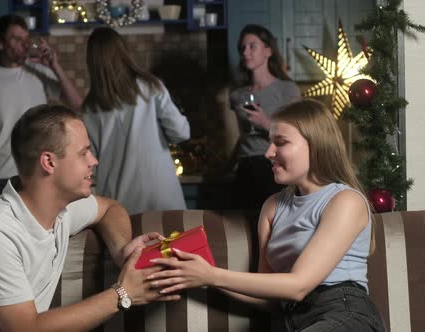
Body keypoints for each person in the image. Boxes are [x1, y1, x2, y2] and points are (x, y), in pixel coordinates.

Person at [0, 105, 179, 331]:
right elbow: (26, 329)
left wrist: (122, 251)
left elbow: (110, 208)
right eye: (83, 153)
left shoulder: (64, 210)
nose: (94, 160)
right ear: (49, 163)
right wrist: (123, 294)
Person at [148, 99, 386, 331]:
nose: (268, 153)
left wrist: (212, 275)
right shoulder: (273, 207)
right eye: (270, 142)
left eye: (280, 142)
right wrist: (202, 273)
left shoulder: (346, 201)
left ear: (316, 145)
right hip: (294, 321)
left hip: (345, 314)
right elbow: (270, 300)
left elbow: (298, 285)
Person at [0, 14, 83, 205]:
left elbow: (76, 103)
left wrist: (54, 65)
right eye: (17, 39)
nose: (25, 44)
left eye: (26, 38)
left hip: (39, 173)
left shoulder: (39, 71)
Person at [81, 27, 190, 215]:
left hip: (119, 203)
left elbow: (92, 165)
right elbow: (182, 133)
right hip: (160, 194)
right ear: (123, 53)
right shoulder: (149, 87)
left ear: (92, 62)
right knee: (173, 244)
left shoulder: (89, 109)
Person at [229, 24, 301, 210]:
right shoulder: (237, 95)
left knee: (273, 226)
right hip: (244, 168)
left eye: (253, 46)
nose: (246, 52)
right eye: (243, 47)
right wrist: (228, 165)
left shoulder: (287, 89)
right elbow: (242, 136)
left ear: (268, 51)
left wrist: (266, 123)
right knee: (242, 229)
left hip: (273, 166)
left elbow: (298, 134)